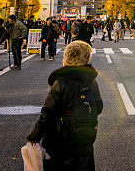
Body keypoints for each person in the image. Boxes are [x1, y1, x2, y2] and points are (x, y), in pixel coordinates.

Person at [26, 40, 103, 171]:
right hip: (85, 136)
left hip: (59, 138)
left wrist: (34, 137)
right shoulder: (91, 81)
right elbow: (99, 107)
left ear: (67, 59)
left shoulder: (61, 83)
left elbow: (47, 113)